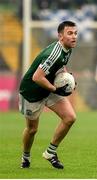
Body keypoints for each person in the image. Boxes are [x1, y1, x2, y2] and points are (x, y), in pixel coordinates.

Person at [19, 21, 78, 169]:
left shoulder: (68, 48)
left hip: (49, 86)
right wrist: (55, 89)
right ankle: (25, 156)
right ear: (60, 36)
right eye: (69, 33)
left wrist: (67, 80)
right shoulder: (53, 54)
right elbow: (37, 77)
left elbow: (60, 66)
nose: (74, 37)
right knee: (32, 129)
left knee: (70, 117)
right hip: (31, 91)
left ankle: (50, 153)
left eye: (75, 33)